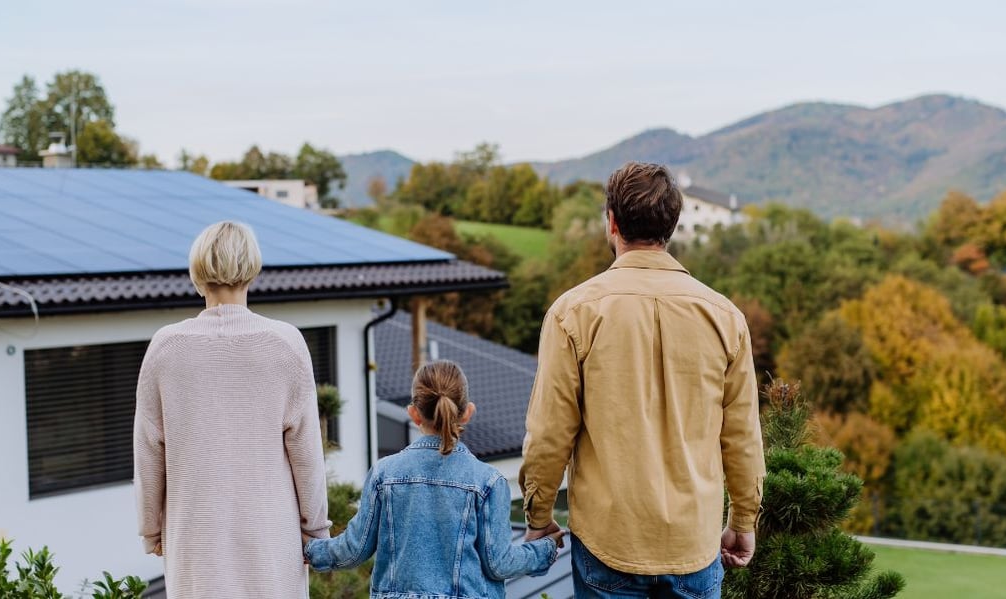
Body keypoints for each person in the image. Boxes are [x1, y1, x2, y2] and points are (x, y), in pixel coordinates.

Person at [519, 162, 766, 598]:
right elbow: (742, 437)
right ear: (671, 225)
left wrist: (539, 517)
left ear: (611, 222)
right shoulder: (726, 318)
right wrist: (743, 521)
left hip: (609, 541)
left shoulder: (573, 313)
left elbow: (548, 434)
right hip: (693, 544)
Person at [133, 221, 330, 598]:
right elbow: (307, 454)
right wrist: (315, 529)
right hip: (271, 539)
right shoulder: (286, 344)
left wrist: (151, 529)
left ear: (197, 272)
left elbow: (148, 450)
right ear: (251, 269)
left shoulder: (165, 347)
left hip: (194, 538)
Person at [305, 360, 564, 598]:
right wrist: (545, 549)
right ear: (467, 412)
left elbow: (353, 550)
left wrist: (309, 548)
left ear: (413, 413)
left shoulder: (384, 474)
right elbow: (500, 563)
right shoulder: (488, 481)